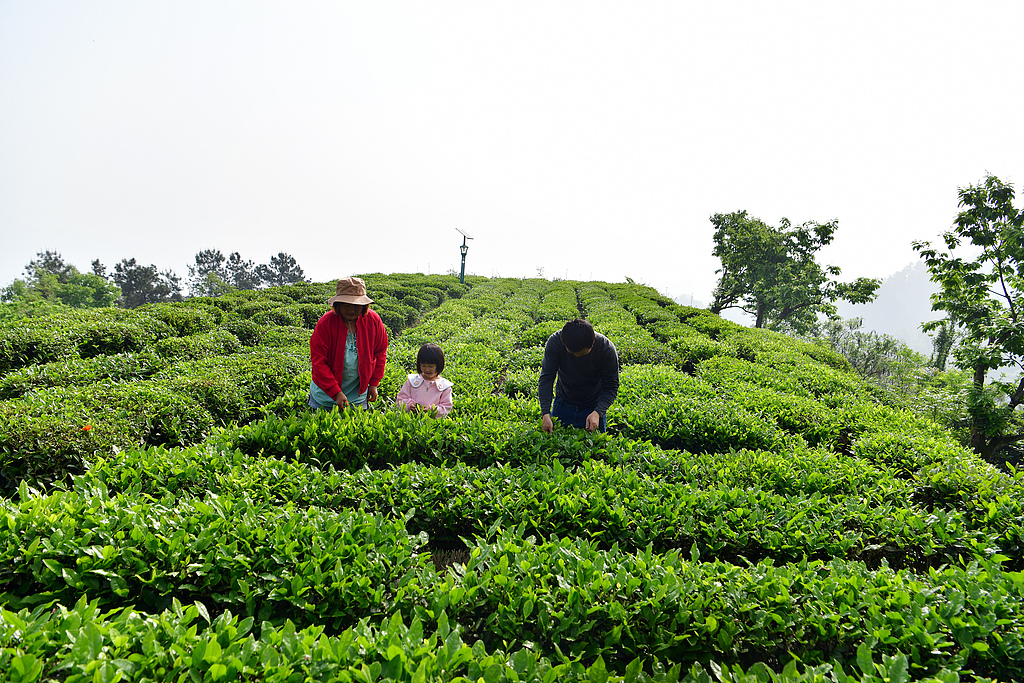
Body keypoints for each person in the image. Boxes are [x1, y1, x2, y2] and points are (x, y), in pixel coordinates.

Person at [308, 276, 389, 410]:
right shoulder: (325, 324)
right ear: (338, 305)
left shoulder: (373, 320)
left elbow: (380, 352)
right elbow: (319, 362)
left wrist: (374, 383)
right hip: (325, 396)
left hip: (358, 395)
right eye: (346, 305)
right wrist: (336, 392)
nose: (352, 309)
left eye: (356, 305)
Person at [538, 318, 619, 433]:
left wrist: (598, 412)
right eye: (572, 353)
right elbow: (547, 378)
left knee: (596, 448)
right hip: (563, 403)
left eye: (581, 353)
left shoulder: (606, 349)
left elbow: (611, 387)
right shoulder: (555, 342)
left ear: (593, 341)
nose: (576, 356)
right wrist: (545, 413)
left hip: (593, 406)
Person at [396, 343, 454, 418]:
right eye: (423, 366)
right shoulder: (412, 381)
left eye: (431, 366)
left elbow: (446, 407)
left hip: (432, 425)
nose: (427, 369)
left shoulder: (444, 387)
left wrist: (432, 410)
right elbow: (400, 399)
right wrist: (409, 405)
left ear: (439, 365)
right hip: (410, 421)